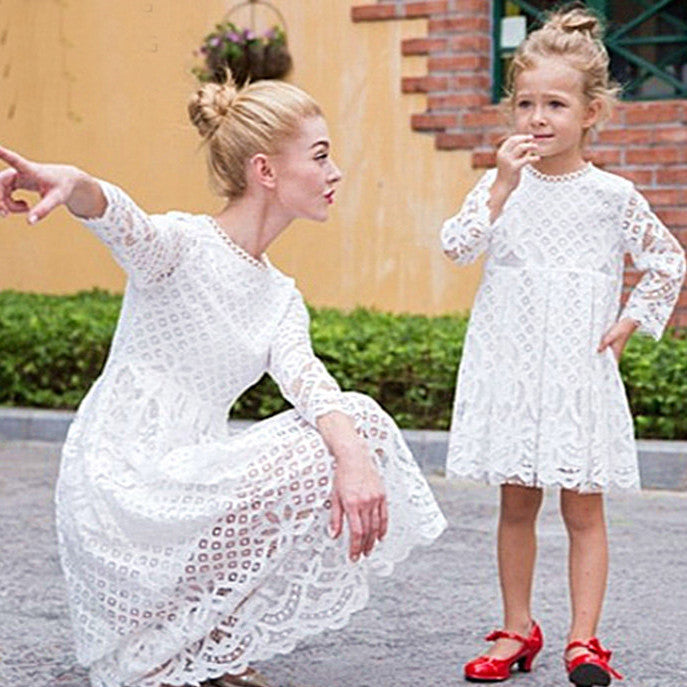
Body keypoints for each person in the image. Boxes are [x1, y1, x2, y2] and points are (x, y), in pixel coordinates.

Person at [0, 77, 447, 687]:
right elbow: (122, 220)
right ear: (265, 170)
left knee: (354, 423)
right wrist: (76, 184)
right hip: (122, 479)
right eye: (320, 156)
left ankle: (207, 640)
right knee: (352, 429)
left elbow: (311, 383)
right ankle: (166, 649)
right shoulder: (182, 245)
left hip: (194, 474)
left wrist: (356, 462)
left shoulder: (280, 296)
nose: (336, 172)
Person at [439, 7, 685, 687]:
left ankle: (583, 639)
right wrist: (498, 187)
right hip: (513, 366)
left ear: (591, 112)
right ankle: (516, 628)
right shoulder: (501, 185)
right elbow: (455, 246)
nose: (536, 118)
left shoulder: (612, 196)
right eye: (524, 103)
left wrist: (630, 321)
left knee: (582, 507)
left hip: (576, 368)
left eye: (554, 103)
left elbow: (667, 261)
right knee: (516, 503)